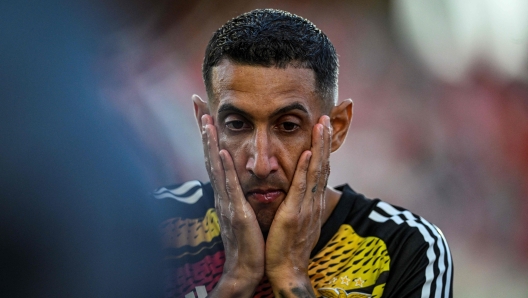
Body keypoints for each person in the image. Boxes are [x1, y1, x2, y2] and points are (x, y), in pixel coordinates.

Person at [153, 8, 453, 298]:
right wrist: (239, 278)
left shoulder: (405, 247)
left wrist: (290, 275)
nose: (260, 163)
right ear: (205, 124)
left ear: (336, 127)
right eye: (237, 124)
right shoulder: (153, 226)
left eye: (287, 126)